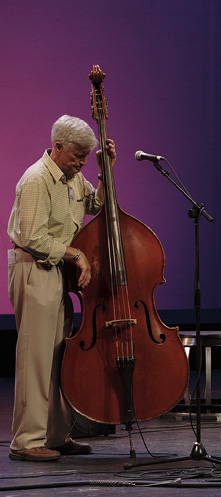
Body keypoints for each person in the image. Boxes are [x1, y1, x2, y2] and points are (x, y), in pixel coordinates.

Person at [8, 115, 116, 461]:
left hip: (56, 272)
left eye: (86, 155)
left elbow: (99, 207)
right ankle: (26, 441)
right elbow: (32, 237)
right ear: (57, 146)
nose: (81, 161)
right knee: (35, 359)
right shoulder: (37, 179)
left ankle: (54, 435)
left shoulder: (75, 178)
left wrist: (105, 170)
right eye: (77, 155)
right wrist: (77, 254)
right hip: (35, 270)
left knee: (57, 357)